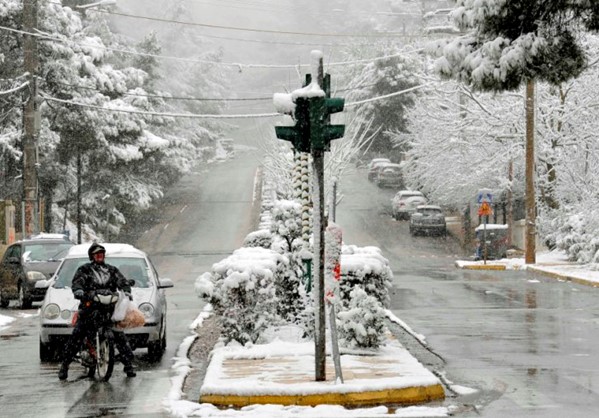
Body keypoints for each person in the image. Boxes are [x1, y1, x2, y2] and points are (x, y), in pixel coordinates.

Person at [58, 243, 137, 380]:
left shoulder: (112, 270)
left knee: (119, 336)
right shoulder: (84, 270)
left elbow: (122, 281)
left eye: (102, 254)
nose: (100, 256)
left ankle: (128, 365)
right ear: (92, 256)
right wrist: (79, 291)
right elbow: (77, 282)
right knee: (77, 335)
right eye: (97, 254)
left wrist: (126, 290)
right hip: (89, 310)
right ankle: (65, 365)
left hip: (108, 311)